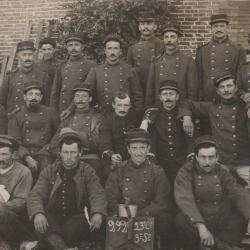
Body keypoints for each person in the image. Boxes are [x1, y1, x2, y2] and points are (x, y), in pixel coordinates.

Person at [27, 130, 107, 250]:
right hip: (52, 217)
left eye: (72, 152)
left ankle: (44, 245)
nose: (68, 157)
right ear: (60, 153)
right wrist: (38, 213)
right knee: (44, 224)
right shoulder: (50, 170)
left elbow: (97, 193)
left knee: (78, 225)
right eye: (65, 152)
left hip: (75, 217)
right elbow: (36, 194)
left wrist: (97, 212)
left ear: (80, 153)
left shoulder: (87, 171)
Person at [175, 136, 250, 250]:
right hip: (199, 219)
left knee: (240, 217)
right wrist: (201, 226)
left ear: (217, 157)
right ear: (196, 157)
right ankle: (225, 248)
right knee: (179, 220)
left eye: (211, 157)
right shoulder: (186, 172)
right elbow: (185, 199)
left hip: (220, 219)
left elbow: (238, 192)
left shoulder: (222, 171)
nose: (207, 162)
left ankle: (208, 246)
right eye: (203, 157)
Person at [106, 128, 173, 250]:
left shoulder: (157, 172)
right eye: (134, 148)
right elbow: (111, 197)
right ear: (128, 150)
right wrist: (121, 212)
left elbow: (161, 202)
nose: (138, 153)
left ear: (148, 149)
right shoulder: (119, 170)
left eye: (142, 148)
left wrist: (139, 214)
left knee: (165, 220)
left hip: (148, 215)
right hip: (123, 216)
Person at [181, 72, 250, 186]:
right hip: (222, 162)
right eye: (222, 87)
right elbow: (187, 104)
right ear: (218, 91)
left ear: (236, 88)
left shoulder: (244, 106)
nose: (226, 90)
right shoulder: (212, 107)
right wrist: (187, 117)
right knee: (214, 190)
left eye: (229, 86)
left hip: (245, 161)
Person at [141, 80, 193, 188]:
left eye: (171, 94)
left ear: (177, 96)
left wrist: (189, 160)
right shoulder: (155, 115)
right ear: (160, 97)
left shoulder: (184, 114)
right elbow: (152, 139)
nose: (168, 97)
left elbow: (191, 139)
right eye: (165, 94)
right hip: (161, 163)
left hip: (181, 162)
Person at [49, 83, 104, 183]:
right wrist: (65, 156)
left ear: (90, 99)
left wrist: (74, 133)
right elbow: (54, 144)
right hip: (67, 160)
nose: (80, 100)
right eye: (77, 96)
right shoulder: (67, 119)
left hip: (89, 160)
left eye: (84, 96)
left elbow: (98, 143)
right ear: (74, 100)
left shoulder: (97, 118)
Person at [8, 80, 59, 177]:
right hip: (22, 151)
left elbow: (57, 134)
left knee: (47, 169)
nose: (34, 97)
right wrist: (27, 157)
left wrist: (49, 147)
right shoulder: (16, 115)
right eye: (30, 94)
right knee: (17, 169)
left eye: (37, 94)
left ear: (41, 97)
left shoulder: (50, 113)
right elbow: (14, 141)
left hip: (44, 151)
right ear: (25, 97)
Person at [85, 33, 143, 116]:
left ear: (120, 51)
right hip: (103, 116)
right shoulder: (96, 71)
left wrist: (136, 116)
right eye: (109, 48)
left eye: (115, 48)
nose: (112, 52)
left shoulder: (130, 70)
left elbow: (137, 97)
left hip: (125, 116)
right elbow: (85, 92)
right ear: (105, 51)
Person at [145, 24, 199, 108]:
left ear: (179, 39)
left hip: (181, 107)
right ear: (163, 40)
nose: (169, 40)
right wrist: (149, 110)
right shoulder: (156, 62)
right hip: (159, 108)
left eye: (172, 37)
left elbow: (192, 91)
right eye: (166, 37)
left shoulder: (188, 61)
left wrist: (189, 111)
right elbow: (150, 90)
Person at [196, 14, 246, 101]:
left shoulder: (238, 50)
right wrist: (200, 96)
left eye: (222, 26)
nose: (219, 29)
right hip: (208, 96)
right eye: (215, 26)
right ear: (211, 28)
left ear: (227, 28)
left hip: (229, 95)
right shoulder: (202, 50)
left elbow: (240, 77)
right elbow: (199, 77)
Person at [0, 40, 51, 114]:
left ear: (34, 55)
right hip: (14, 118)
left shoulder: (43, 76)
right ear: (17, 56)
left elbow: (47, 103)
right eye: (24, 54)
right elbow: (2, 100)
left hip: (35, 119)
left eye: (30, 54)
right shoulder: (11, 76)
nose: (27, 58)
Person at [0, 135, 33, 249]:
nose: (0, 158)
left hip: (14, 218)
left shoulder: (23, 172)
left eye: (4, 154)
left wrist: (2, 206)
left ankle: (8, 244)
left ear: (14, 155)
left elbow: (21, 203)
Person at [50, 33, 93, 114]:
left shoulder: (90, 65)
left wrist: (71, 108)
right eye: (70, 45)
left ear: (82, 47)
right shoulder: (62, 66)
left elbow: (89, 90)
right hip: (62, 108)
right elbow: (55, 92)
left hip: (81, 109)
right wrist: (53, 111)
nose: (73, 48)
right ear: (66, 47)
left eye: (77, 45)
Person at [99, 92, 139, 175]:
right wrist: (112, 156)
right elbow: (105, 143)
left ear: (130, 106)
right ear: (113, 105)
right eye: (119, 105)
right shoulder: (107, 122)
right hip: (115, 160)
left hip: (134, 158)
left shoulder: (135, 118)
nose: (122, 109)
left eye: (126, 105)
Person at [127, 10, 164, 96]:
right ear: (139, 27)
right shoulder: (132, 47)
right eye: (143, 24)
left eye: (149, 24)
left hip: (156, 88)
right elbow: (129, 72)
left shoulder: (162, 45)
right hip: (138, 88)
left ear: (155, 26)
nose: (145, 27)